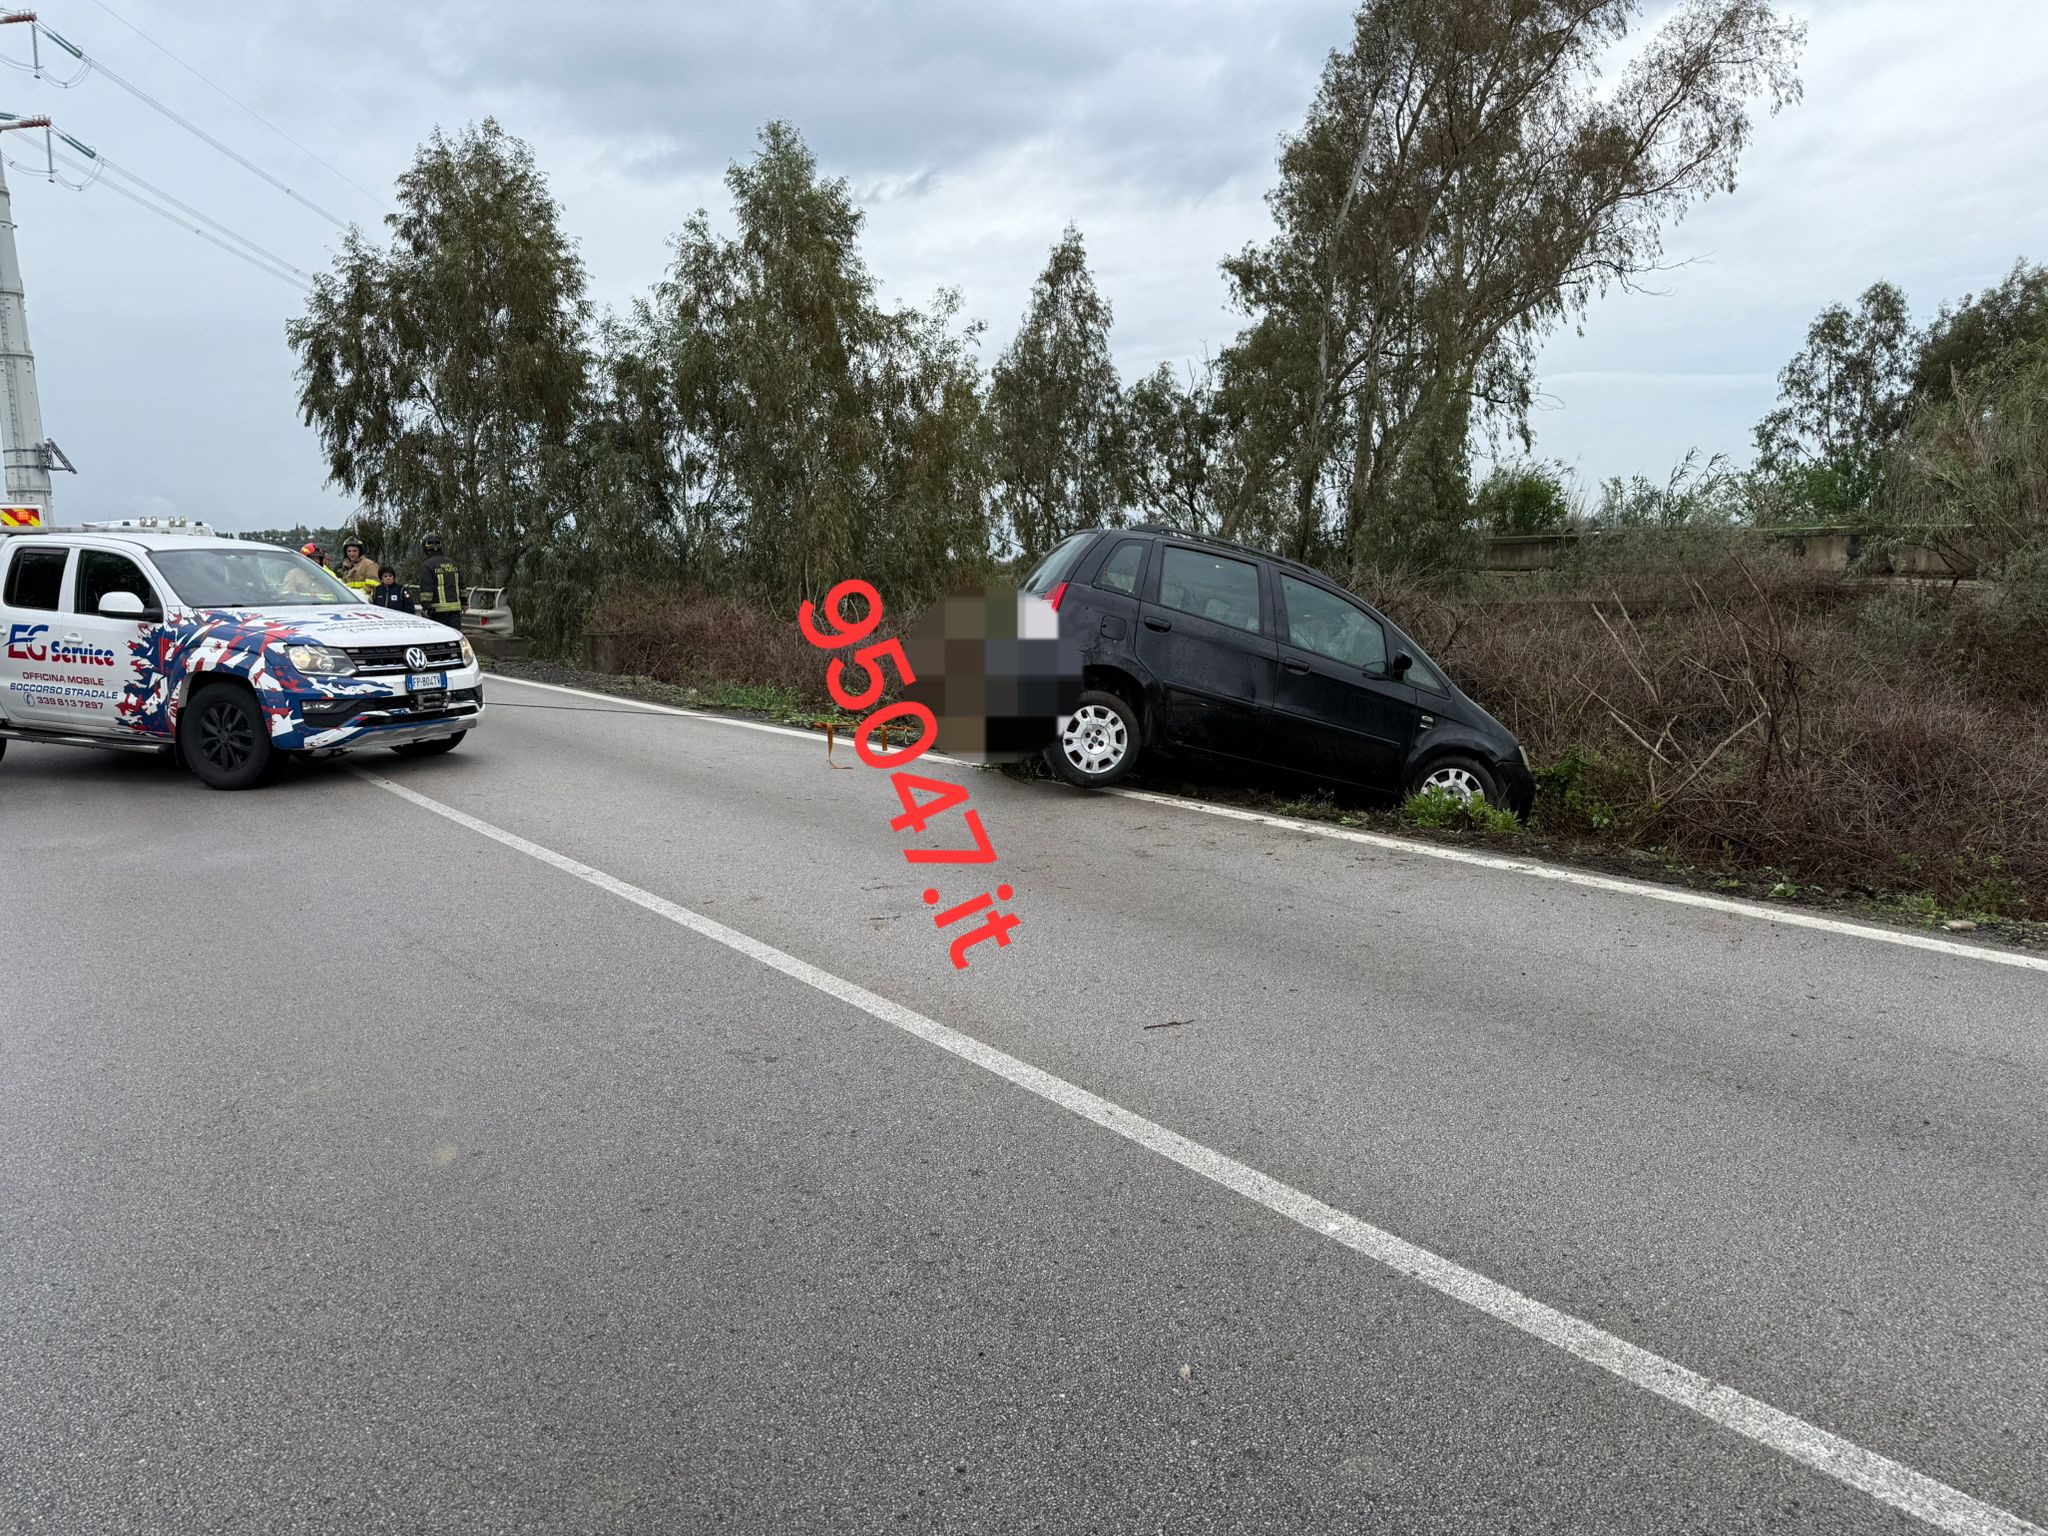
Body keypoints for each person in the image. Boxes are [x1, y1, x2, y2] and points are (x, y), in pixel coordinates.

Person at [414, 533, 464, 625]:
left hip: (437, 611)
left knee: (440, 637)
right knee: (453, 636)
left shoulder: (427, 565)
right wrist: (464, 603)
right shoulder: (452, 563)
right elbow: (461, 585)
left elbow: (426, 590)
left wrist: (426, 607)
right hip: (455, 609)